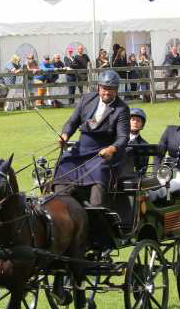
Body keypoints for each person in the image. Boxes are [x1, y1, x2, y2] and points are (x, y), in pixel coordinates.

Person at [54, 69, 130, 208]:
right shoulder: (87, 99)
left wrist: (112, 148)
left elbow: (123, 137)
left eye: (111, 89)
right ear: (99, 87)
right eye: (104, 88)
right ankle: (60, 204)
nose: (107, 92)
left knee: (99, 171)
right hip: (81, 148)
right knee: (64, 163)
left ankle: (96, 210)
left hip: (102, 153)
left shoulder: (122, 109)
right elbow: (73, 121)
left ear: (116, 90)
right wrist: (65, 134)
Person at [126, 107, 151, 175]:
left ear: (142, 125)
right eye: (133, 119)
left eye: (138, 120)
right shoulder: (115, 138)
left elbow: (142, 170)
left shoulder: (144, 145)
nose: (135, 122)